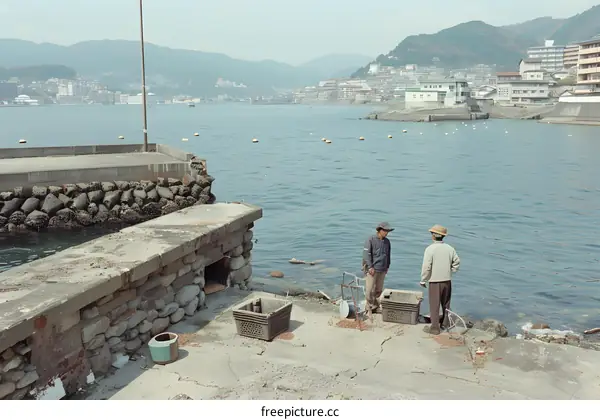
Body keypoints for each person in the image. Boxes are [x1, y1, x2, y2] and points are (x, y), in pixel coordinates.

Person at [420, 225, 460, 335]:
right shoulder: (450, 248)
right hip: (447, 280)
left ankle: (434, 328)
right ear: (443, 236)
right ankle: (445, 324)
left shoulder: (430, 249)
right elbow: (457, 262)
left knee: (434, 305)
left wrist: (423, 279)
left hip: (434, 281)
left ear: (433, 236)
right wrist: (451, 271)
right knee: (446, 304)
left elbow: (426, 267)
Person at [362, 222, 393, 313]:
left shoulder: (387, 242)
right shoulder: (370, 239)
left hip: (382, 268)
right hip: (372, 268)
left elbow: (388, 255)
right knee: (369, 289)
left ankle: (375, 305)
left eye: (387, 231)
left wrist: (387, 266)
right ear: (379, 230)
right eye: (385, 231)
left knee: (379, 289)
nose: (386, 233)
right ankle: (368, 306)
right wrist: (370, 267)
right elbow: (366, 254)